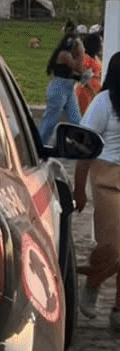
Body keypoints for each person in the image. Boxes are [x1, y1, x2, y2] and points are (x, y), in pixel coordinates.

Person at [73, 51, 120, 331]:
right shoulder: (103, 102)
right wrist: (79, 189)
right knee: (113, 247)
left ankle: (118, 310)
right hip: (106, 177)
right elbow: (84, 145)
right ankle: (93, 280)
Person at [38, 25, 86, 144]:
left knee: (76, 120)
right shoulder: (64, 55)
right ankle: (38, 147)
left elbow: (78, 73)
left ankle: (78, 145)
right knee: (50, 122)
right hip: (58, 89)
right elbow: (79, 69)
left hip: (68, 89)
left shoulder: (69, 56)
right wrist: (81, 53)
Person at [78, 31, 104, 115]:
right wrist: (94, 93)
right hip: (87, 93)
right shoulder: (86, 58)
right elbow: (84, 77)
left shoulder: (94, 58)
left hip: (94, 92)